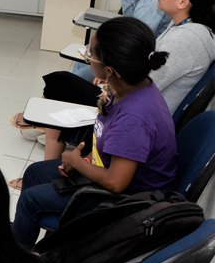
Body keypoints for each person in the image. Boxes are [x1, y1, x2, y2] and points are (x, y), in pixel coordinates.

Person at [11, 0, 215, 171]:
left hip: (136, 118)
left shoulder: (186, 41)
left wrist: (110, 82)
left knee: (60, 83)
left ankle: (50, 164)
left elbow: (146, 83)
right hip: (135, 103)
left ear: (183, 2)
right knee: (63, 81)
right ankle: (48, 140)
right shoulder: (186, 27)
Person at [12, 17, 177, 247]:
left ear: (109, 70)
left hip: (125, 201)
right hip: (110, 174)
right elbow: (110, 147)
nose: (88, 57)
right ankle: (29, 239)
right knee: (33, 173)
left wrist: (77, 162)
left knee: (30, 201)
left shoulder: (134, 118)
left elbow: (116, 183)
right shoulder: (130, 86)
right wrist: (88, 159)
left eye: (91, 54)